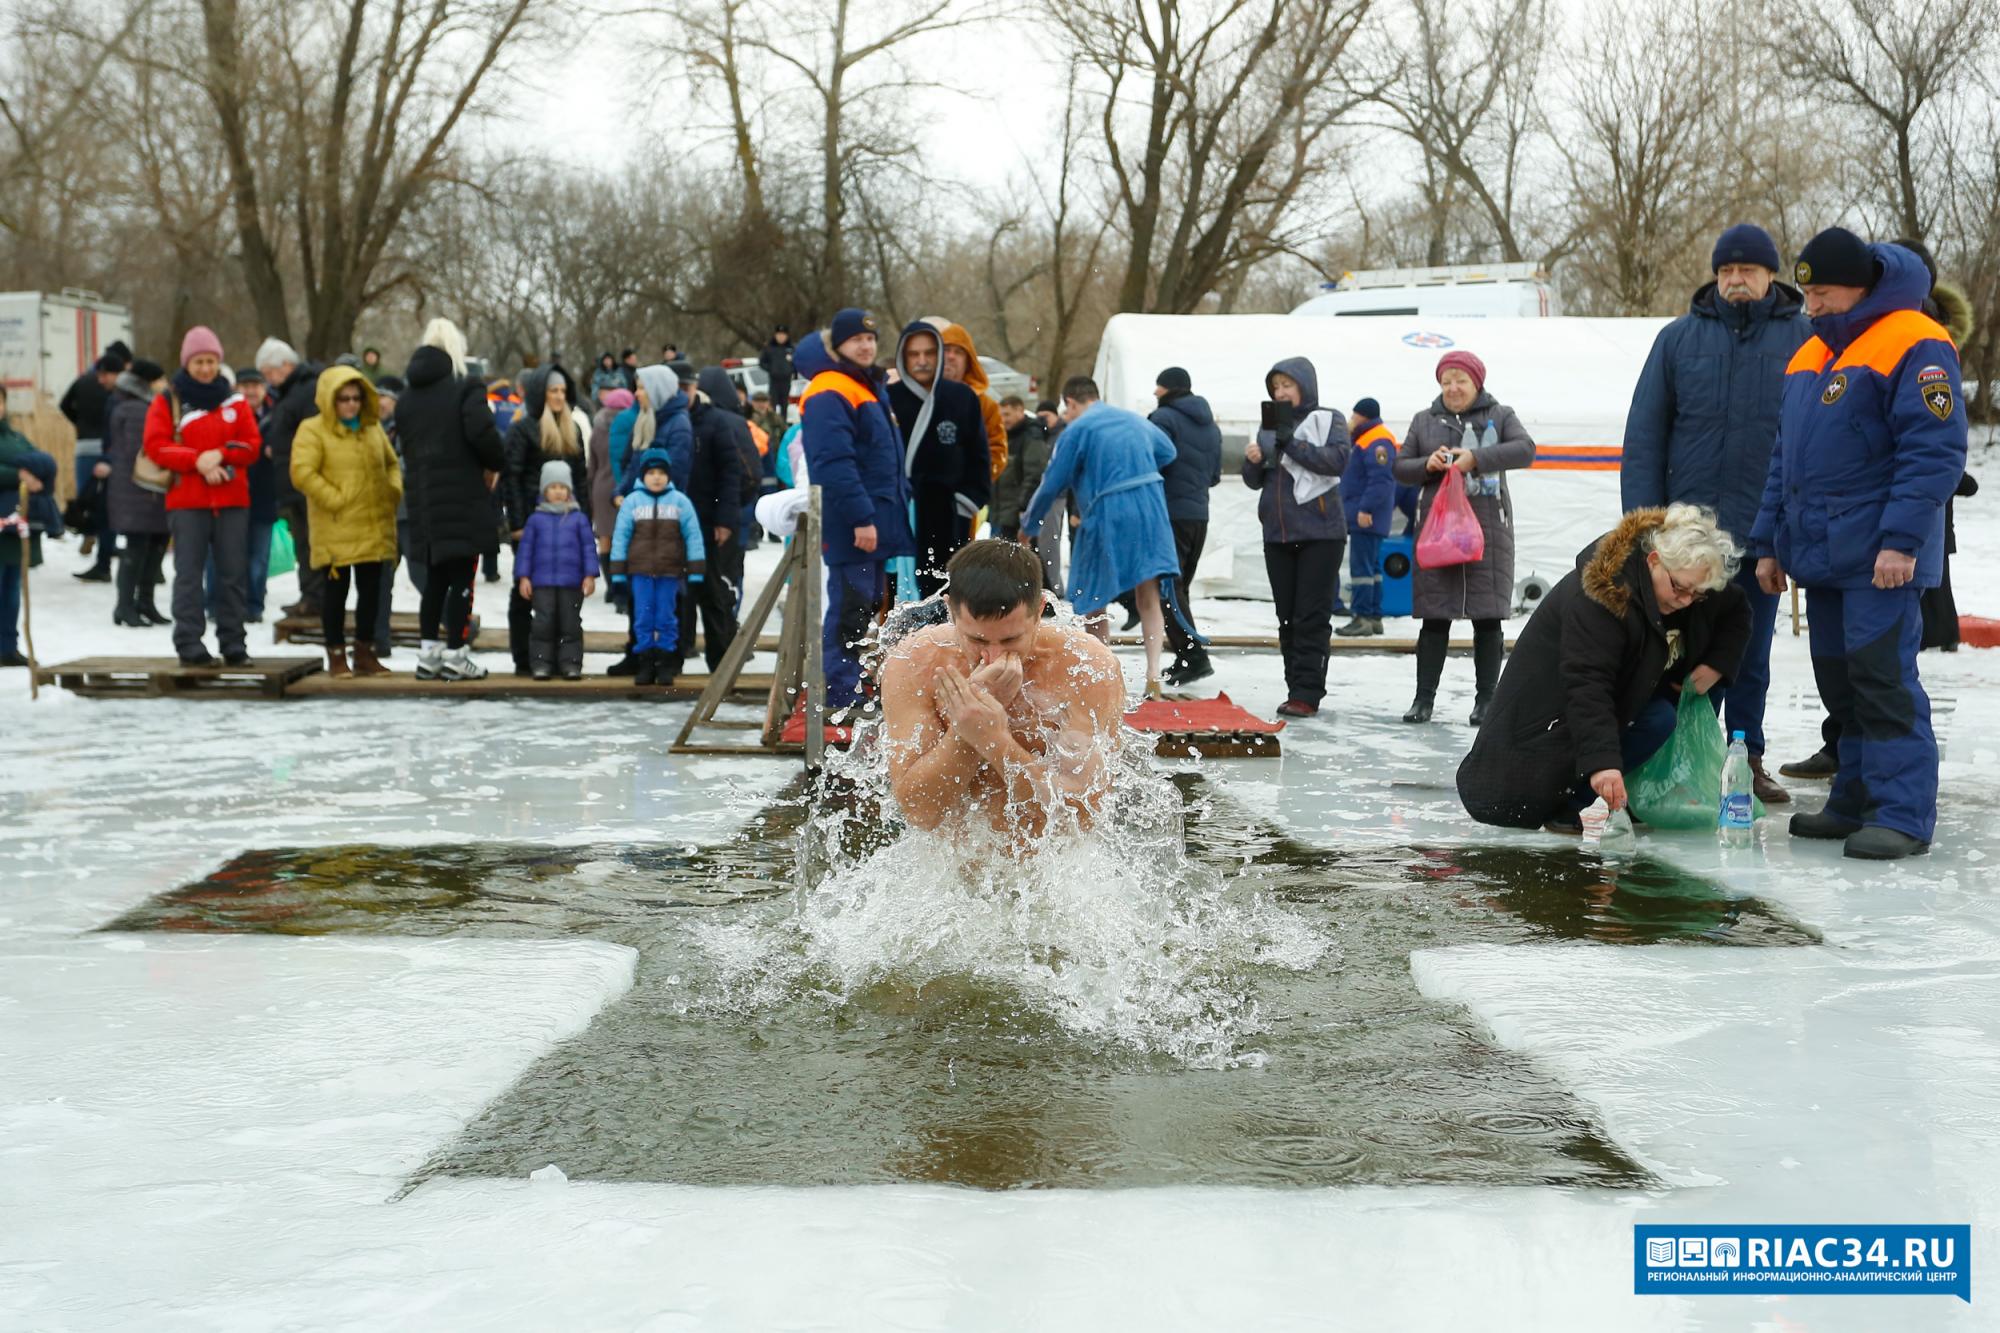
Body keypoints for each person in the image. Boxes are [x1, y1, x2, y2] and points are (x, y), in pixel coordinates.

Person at [1751, 230, 1968, 860]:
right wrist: (1769, 544)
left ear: (1861, 285)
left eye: (1821, 292)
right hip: (1823, 556)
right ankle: (1853, 799)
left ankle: (1901, 814)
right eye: (1808, 292)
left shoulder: (1915, 340)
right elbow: (1783, 460)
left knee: (1883, 682)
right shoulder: (1810, 355)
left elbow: (1933, 451)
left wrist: (1902, 541)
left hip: (1882, 560)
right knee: (1841, 685)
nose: (1810, 304)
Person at [1622, 223, 1809, 804]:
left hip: (1762, 530)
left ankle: (1745, 755)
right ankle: (1675, 757)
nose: (1735, 281)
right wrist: (1644, 527)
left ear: (1770, 275)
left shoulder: (1805, 340)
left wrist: (1794, 524)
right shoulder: (1677, 340)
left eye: (1747, 271)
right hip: (1685, 540)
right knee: (1677, 651)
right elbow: (1645, 436)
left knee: (1748, 653)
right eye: (1726, 271)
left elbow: (1812, 438)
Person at [1457, 505, 1749, 832]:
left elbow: (1736, 610)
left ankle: (1573, 800)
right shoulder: (1602, 596)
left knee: (1658, 718)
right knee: (1521, 797)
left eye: (1697, 595)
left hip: (1612, 704)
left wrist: (1717, 665)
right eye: (1679, 589)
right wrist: (1604, 765)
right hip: (1544, 723)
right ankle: (1563, 797)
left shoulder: (1684, 581)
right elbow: (1588, 686)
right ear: (1653, 560)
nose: (1685, 600)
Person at [881, 539, 1126, 838]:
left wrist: (994, 740)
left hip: (1053, 875)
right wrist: (965, 732)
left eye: (1010, 641)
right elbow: (919, 812)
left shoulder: (1084, 667)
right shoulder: (918, 662)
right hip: (951, 873)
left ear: (1039, 611)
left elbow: (1081, 817)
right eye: (978, 641)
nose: (993, 658)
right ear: (951, 612)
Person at [1392, 350, 1536, 726]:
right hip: (1439, 532)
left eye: (1461, 381)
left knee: (1487, 617)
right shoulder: (1425, 421)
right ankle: (1423, 700)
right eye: (1446, 381)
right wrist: (1427, 464)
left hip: (1488, 529)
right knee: (1434, 617)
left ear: (1477, 383)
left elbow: (1525, 450)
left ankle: (1487, 700)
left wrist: (1477, 458)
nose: (1453, 388)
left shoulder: (1500, 415)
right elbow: (1400, 467)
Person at [1021, 376, 1181, 697]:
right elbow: (1169, 451)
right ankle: (1153, 676)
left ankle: (1101, 676)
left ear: (1072, 403)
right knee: (1148, 594)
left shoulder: (1077, 430)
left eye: (1067, 410)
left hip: (1108, 510)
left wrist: (1029, 526)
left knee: (1093, 598)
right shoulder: (1135, 420)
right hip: (1151, 507)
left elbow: (1052, 483)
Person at [798, 309, 915, 710]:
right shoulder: (831, 388)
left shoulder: (864, 385)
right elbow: (833, 463)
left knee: (865, 605)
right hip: (856, 525)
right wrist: (861, 518)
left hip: (876, 521)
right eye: (855, 340)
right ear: (837, 347)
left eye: (870, 339)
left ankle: (851, 683)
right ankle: (838, 693)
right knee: (850, 606)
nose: (866, 345)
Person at [142, 328, 262, 666]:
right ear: (187, 362)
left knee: (232, 574)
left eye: (211, 361)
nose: (206, 368)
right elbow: (156, 445)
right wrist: (196, 461)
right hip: (187, 501)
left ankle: (233, 642)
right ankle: (189, 643)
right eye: (199, 361)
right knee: (189, 575)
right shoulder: (168, 399)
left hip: (232, 501)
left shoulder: (235, 401)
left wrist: (219, 455)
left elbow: (251, 445)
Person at [1242, 357, 1351, 717]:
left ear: (1305, 385)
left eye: (1287, 385)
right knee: (1286, 615)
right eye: (1275, 387)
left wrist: (1291, 443)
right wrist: (1254, 460)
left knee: (1311, 615)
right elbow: (1256, 480)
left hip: (1321, 532)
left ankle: (1307, 692)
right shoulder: (1268, 424)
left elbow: (1335, 461)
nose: (1280, 392)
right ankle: (1295, 687)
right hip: (1277, 533)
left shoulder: (1329, 418)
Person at [398, 318, 504, 682]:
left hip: (424, 499)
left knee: (435, 580)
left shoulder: (408, 396)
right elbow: (482, 432)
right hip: (461, 496)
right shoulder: (465, 387)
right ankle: (457, 654)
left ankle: (429, 653)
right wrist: (496, 463)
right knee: (462, 576)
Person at [290, 365, 402, 678]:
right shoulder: (312, 430)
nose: (351, 404)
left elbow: (392, 463)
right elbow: (302, 472)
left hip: (372, 522)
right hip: (336, 524)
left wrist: (392, 490)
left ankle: (365, 653)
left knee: (371, 592)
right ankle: (336, 655)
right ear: (330, 400)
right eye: (343, 399)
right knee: (336, 595)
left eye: (355, 397)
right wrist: (334, 499)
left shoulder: (372, 428)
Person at [500, 364, 592, 676]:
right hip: (532, 525)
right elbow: (511, 478)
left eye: (562, 391)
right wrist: (516, 523)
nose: (558, 396)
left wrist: (585, 520)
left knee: (564, 599)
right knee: (526, 591)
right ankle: (525, 656)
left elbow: (580, 480)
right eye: (553, 391)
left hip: (567, 528)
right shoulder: (523, 429)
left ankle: (560, 658)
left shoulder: (573, 430)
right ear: (541, 393)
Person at [889, 321, 990, 598]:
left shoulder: (961, 397)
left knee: (945, 593)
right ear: (903, 357)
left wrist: (965, 503)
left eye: (929, 353)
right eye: (914, 354)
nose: (922, 361)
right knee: (893, 592)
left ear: (939, 355)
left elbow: (980, 458)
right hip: (899, 510)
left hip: (947, 513)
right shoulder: (888, 398)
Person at [1148, 366, 1223, 685]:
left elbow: (1150, 463)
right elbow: (1215, 476)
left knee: (1166, 586)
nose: (1155, 392)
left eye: (1159, 386)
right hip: (1199, 514)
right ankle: (1184, 654)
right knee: (1179, 587)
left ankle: (1195, 656)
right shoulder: (1211, 425)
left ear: (1169, 389)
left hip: (1169, 512)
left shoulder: (1162, 419)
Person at [609, 446, 705, 686]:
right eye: (651, 473)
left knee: (666, 617)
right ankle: (645, 662)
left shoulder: (680, 502)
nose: (657, 477)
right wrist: (618, 573)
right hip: (640, 572)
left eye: (661, 473)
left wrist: (695, 571)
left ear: (669, 476)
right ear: (643, 475)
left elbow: (693, 536)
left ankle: (665, 663)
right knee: (643, 617)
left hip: (669, 572)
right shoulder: (632, 502)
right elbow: (620, 537)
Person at [257, 338, 324, 618]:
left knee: (310, 542)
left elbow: (311, 432)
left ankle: (316, 598)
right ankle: (309, 595)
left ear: (285, 365)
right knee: (302, 542)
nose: (267, 379)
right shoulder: (290, 390)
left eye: (268, 372)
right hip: (293, 479)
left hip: (305, 481)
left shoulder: (306, 389)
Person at [686, 366, 748, 666]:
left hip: (711, 523)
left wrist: (726, 518)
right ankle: (684, 652)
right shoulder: (671, 420)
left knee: (714, 591)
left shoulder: (719, 422)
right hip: (684, 522)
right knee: (690, 592)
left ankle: (722, 658)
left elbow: (735, 474)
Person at [516, 460, 599, 680]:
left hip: (571, 583)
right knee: (543, 624)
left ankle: (570, 664)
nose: (558, 492)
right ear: (545, 490)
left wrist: (590, 575)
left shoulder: (578, 519)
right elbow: (526, 550)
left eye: (563, 487)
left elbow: (589, 548)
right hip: (542, 583)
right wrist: (524, 577)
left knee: (570, 624)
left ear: (569, 491)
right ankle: (542, 663)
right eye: (553, 487)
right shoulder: (535, 519)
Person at [104, 359, 171, 628]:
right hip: (138, 489)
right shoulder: (136, 409)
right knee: (136, 548)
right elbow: (140, 449)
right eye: (160, 380)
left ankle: (144, 602)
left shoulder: (135, 403)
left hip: (146, 490)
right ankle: (125, 605)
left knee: (153, 546)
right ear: (148, 382)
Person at [0, 404, 58, 666]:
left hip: (13, 525)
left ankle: (7, 648)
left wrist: (27, 473)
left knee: (11, 590)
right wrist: (19, 474)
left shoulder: (15, 437)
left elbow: (43, 462)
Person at [1337, 397, 1398, 638]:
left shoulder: (1376, 440)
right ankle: (1373, 617)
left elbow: (1381, 481)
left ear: (1363, 416)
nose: (1351, 420)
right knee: (1372, 569)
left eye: (1354, 415)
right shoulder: (1369, 438)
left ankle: (1361, 617)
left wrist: (1365, 510)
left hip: (1366, 516)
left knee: (1361, 569)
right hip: (1368, 515)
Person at [61, 354, 122, 581]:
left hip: (86, 446)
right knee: (107, 505)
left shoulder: (83, 381)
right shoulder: (117, 394)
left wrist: (79, 423)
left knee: (88, 499)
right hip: (108, 452)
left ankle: (89, 532)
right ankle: (104, 544)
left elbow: (64, 404)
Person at [938, 323, 1008, 482]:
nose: (951, 356)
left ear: (968, 362)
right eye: (946, 349)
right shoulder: (919, 397)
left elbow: (998, 452)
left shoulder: (985, 405)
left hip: (966, 499)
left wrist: (971, 485)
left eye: (958, 352)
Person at [589, 385, 634, 582]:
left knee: (605, 536)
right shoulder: (632, 425)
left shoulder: (598, 429)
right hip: (625, 486)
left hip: (601, 485)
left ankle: (610, 585)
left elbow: (592, 464)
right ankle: (622, 582)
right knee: (626, 537)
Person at [758, 326, 795, 424]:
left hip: (786, 381)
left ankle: (783, 424)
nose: (781, 337)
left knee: (784, 404)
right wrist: (771, 369)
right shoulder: (769, 348)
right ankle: (772, 425)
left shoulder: (791, 348)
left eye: (783, 335)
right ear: (775, 336)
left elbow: (797, 362)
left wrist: (791, 370)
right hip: (774, 381)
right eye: (779, 335)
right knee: (772, 403)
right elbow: (762, 362)